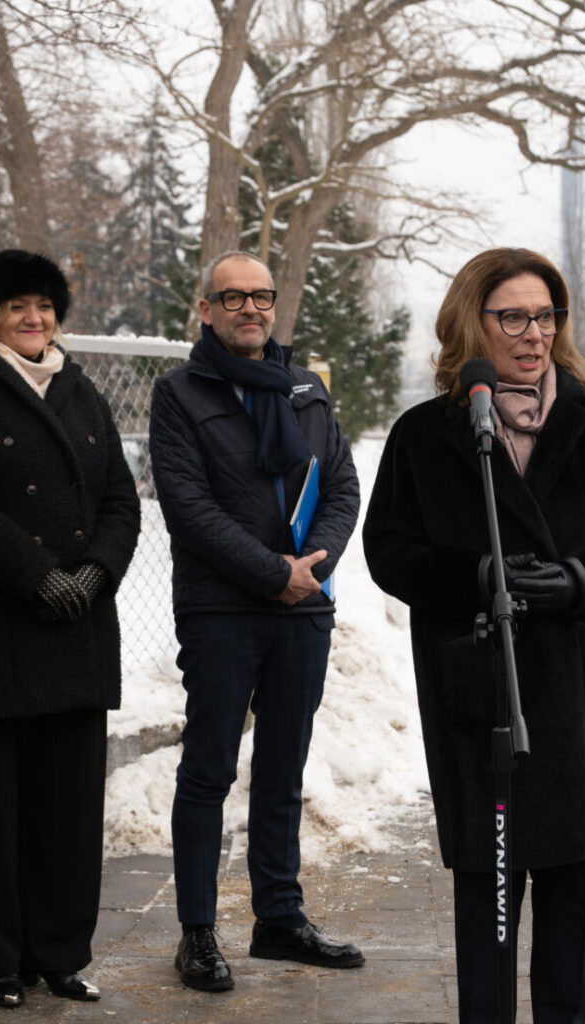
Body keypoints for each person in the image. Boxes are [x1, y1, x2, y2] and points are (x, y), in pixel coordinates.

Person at [362, 247, 585, 1023]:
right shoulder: (426, 432)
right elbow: (389, 551)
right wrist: (476, 576)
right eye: (513, 316)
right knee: (487, 904)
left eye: (546, 315)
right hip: (481, 696)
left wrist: (582, 579)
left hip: (583, 691)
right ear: (474, 320)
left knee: (571, 899)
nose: (533, 332)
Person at [0, 249, 140, 1009]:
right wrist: (36, 573)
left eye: (45, 306)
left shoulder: (81, 389)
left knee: (70, 811)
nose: (34, 318)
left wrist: (96, 573)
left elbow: (122, 498)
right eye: (18, 305)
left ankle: (60, 952)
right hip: (5, 630)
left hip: (80, 629)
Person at [148, 250, 364, 992]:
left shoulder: (305, 388)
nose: (251, 308)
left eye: (262, 296)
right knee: (207, 771)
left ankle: (279, 918)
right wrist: (275, 573)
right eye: (233, 297)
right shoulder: (179, 392)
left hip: (305, 610)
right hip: (222, 611)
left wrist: (315, 567)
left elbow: (340, 482)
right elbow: (189, 506)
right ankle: (198, 933)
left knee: (283, 769)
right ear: (204, 310)